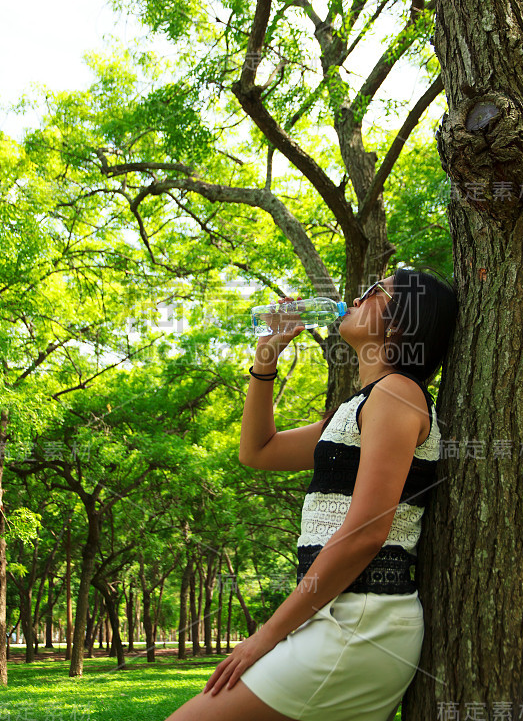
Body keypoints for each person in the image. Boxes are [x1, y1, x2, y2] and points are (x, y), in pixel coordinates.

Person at [164, 268, 459, 721]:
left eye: (374, 292)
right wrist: (265, 360)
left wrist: (265, 637)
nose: (357, 297)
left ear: (399, 322)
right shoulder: (360, 407)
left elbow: (364, 534)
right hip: (341, 618)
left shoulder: (397, 395)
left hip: (359, 624)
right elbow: (257, 451)